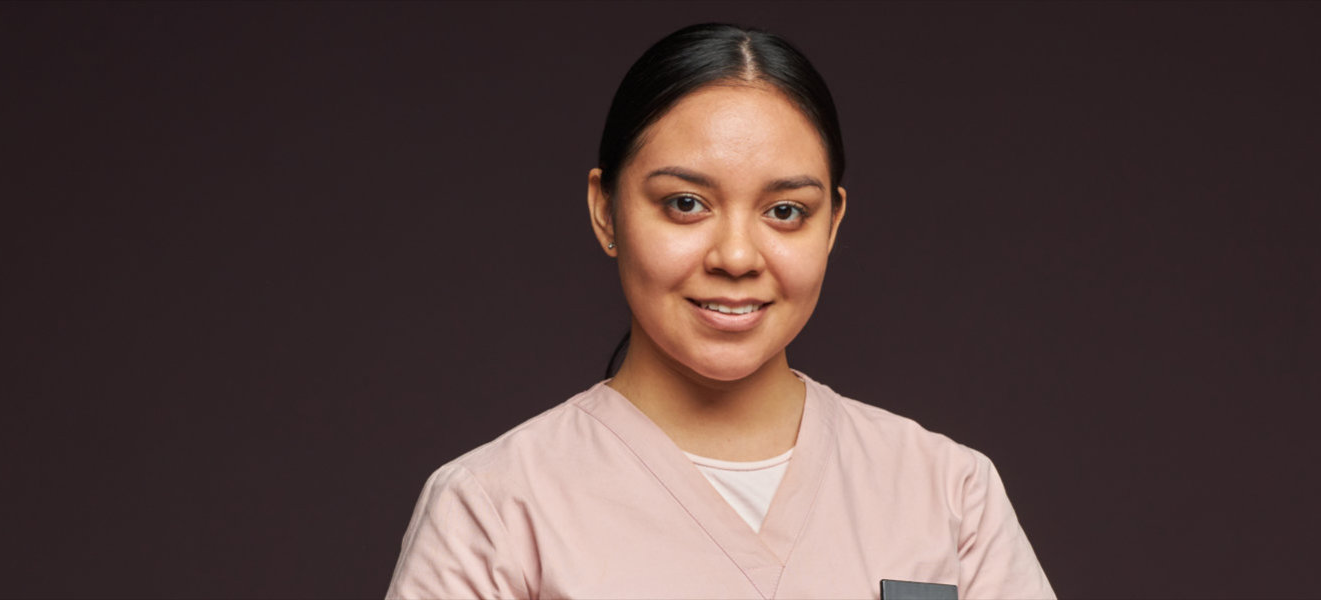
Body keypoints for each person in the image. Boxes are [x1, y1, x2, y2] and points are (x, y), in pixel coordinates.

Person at [386, 23, 1055, 600]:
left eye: (785, 212)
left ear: (832, 225)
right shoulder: (495, 509)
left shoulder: (946, 492)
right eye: (685, 204)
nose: (737, 256)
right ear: (605, 209)